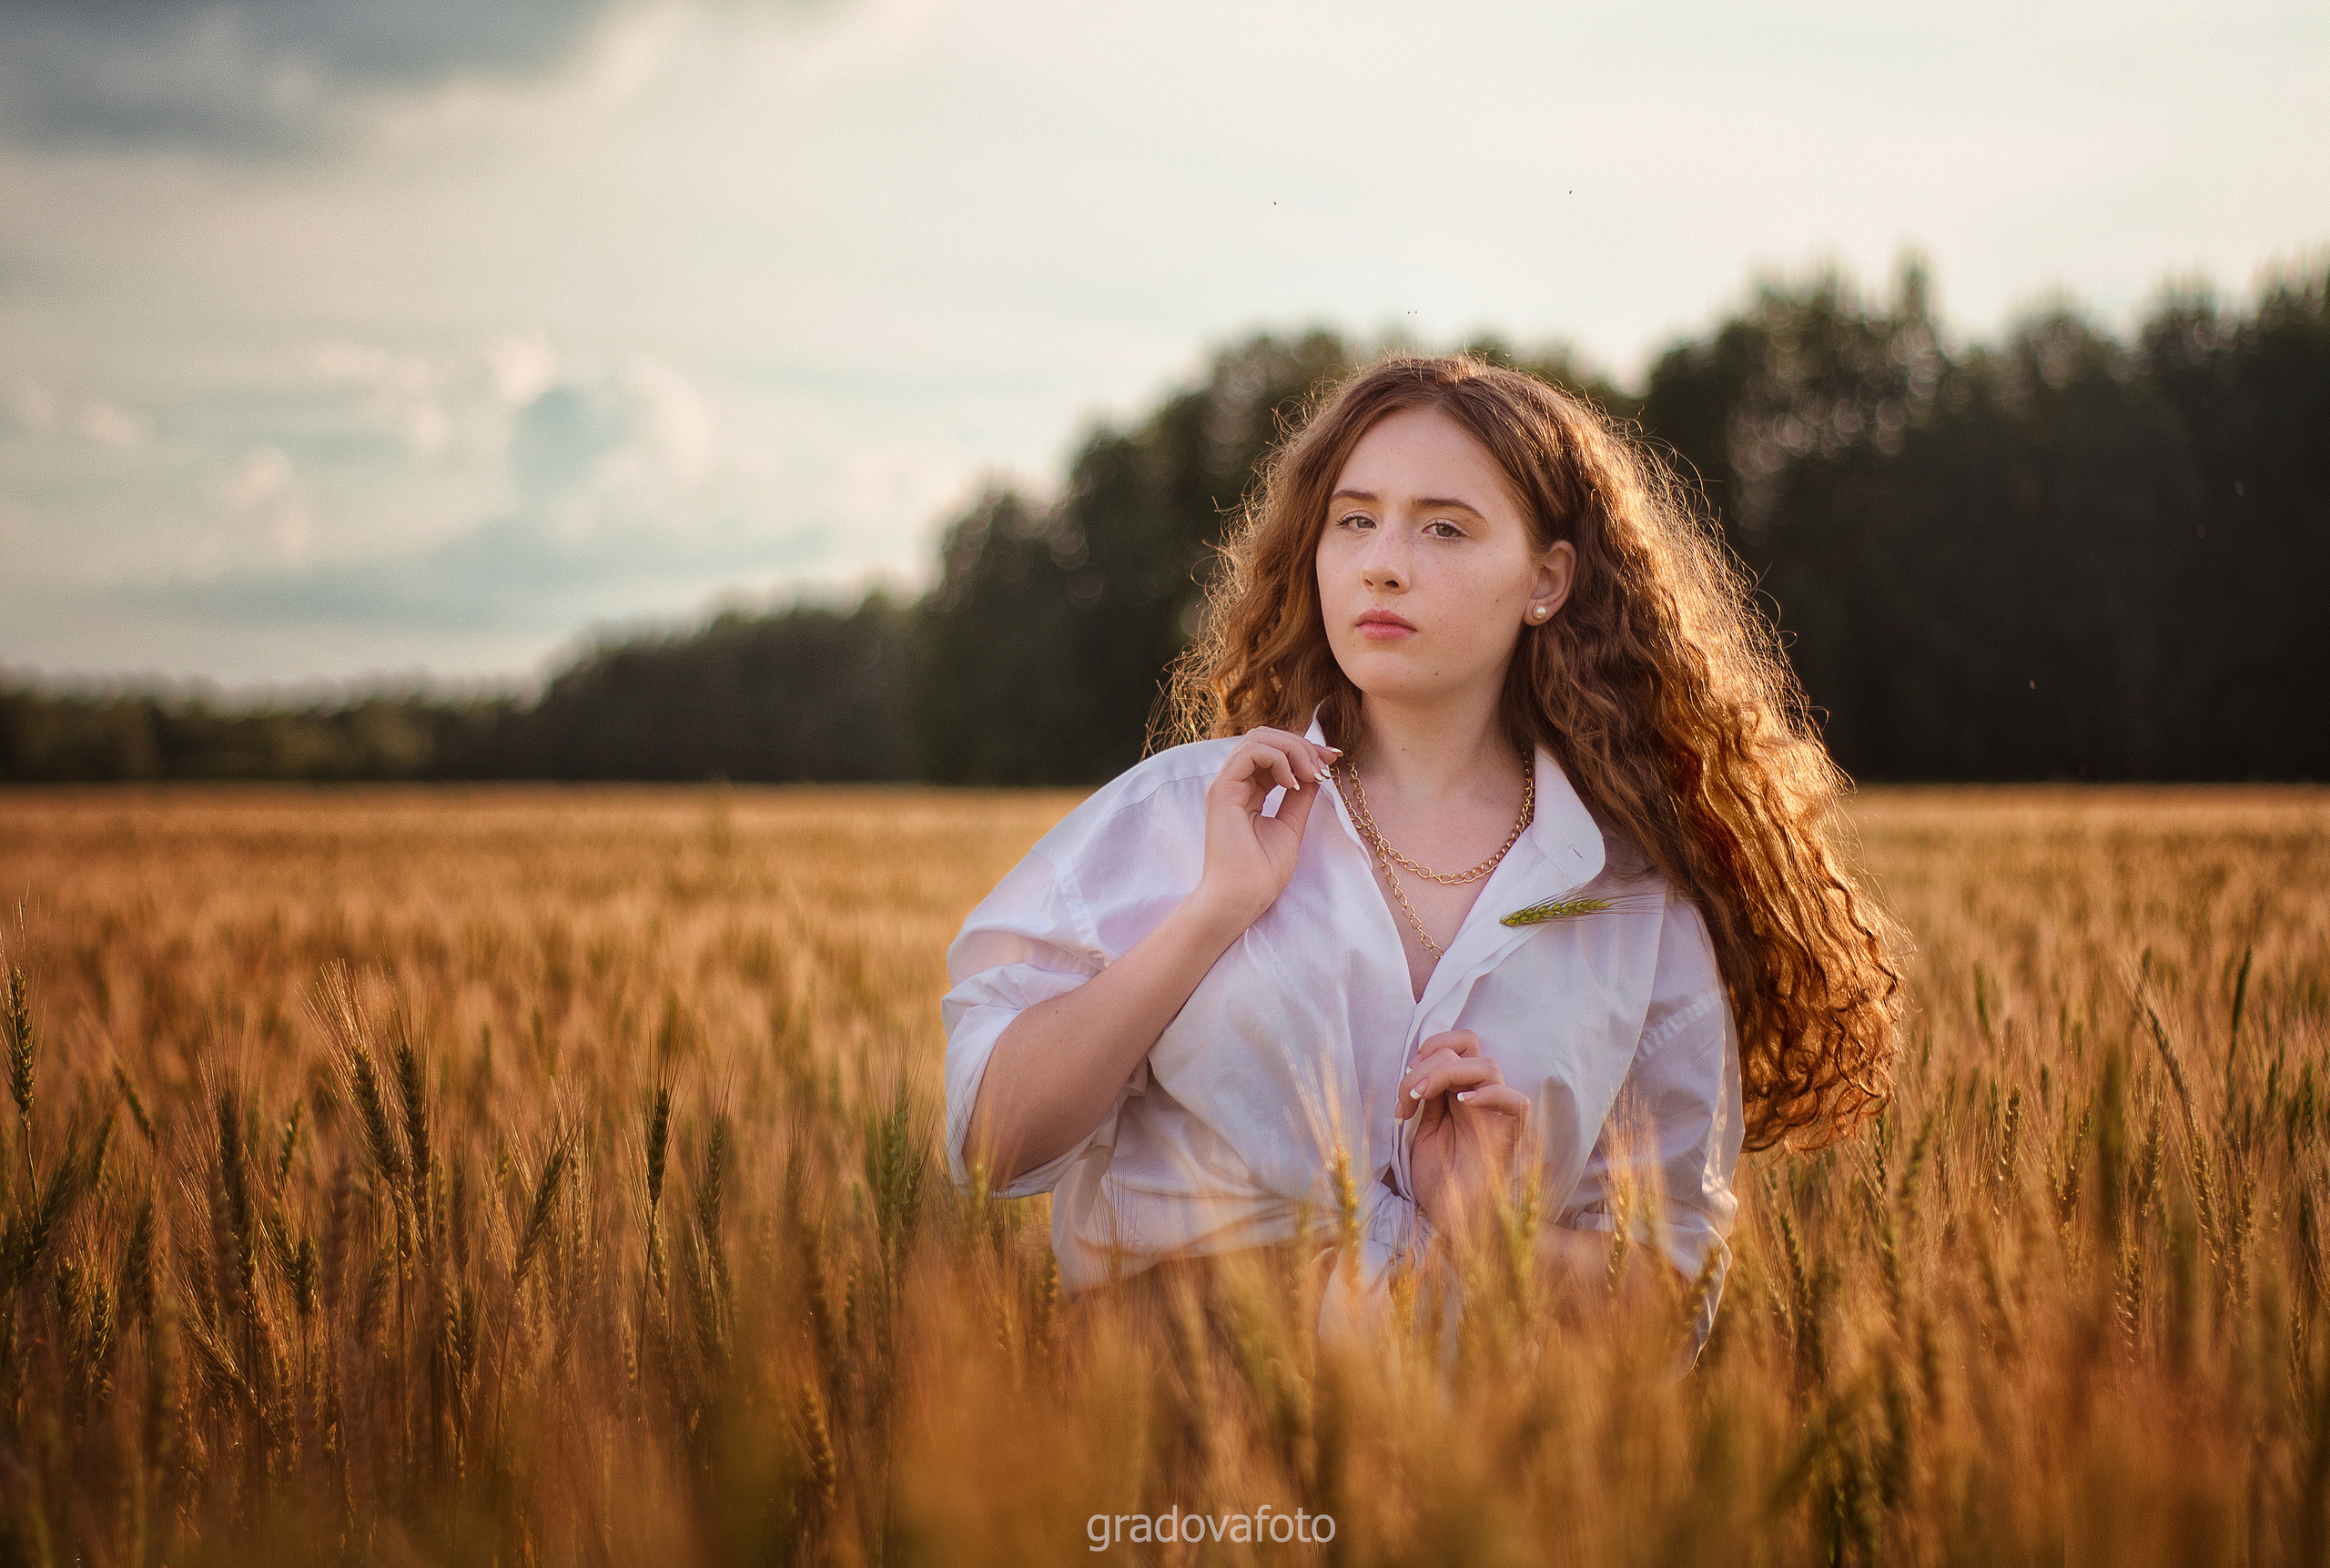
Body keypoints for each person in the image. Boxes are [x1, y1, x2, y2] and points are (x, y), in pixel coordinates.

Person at [940, 354, 1903, 1362]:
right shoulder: (1185, 814)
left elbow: (1675, 1303)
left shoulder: (1629, 903)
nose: (1382, 562)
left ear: (1546, 580)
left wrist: (1497, 1231)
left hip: (1465, 1494)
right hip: (1173, 1472)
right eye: (1354, 520)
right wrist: (1209, 912)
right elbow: (991, 1139)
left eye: (1443, 527)